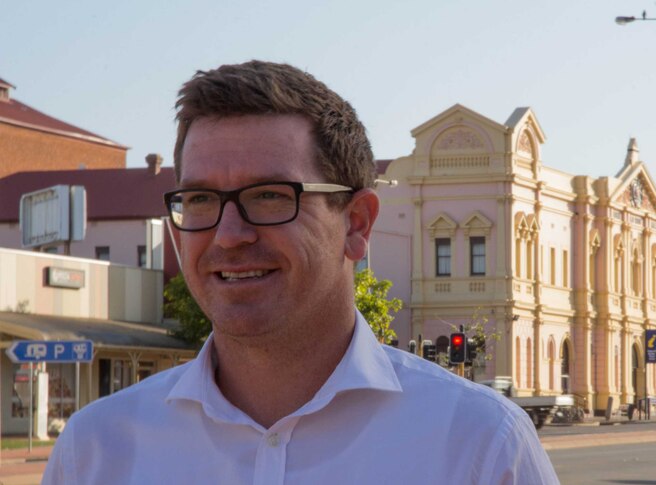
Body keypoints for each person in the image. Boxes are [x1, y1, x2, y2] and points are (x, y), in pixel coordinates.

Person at [43, 60, 559, 484]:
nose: (228, 235)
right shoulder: (96, 453)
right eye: (200, 199)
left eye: (269, 196)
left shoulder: (481, 446)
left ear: (356, 224)